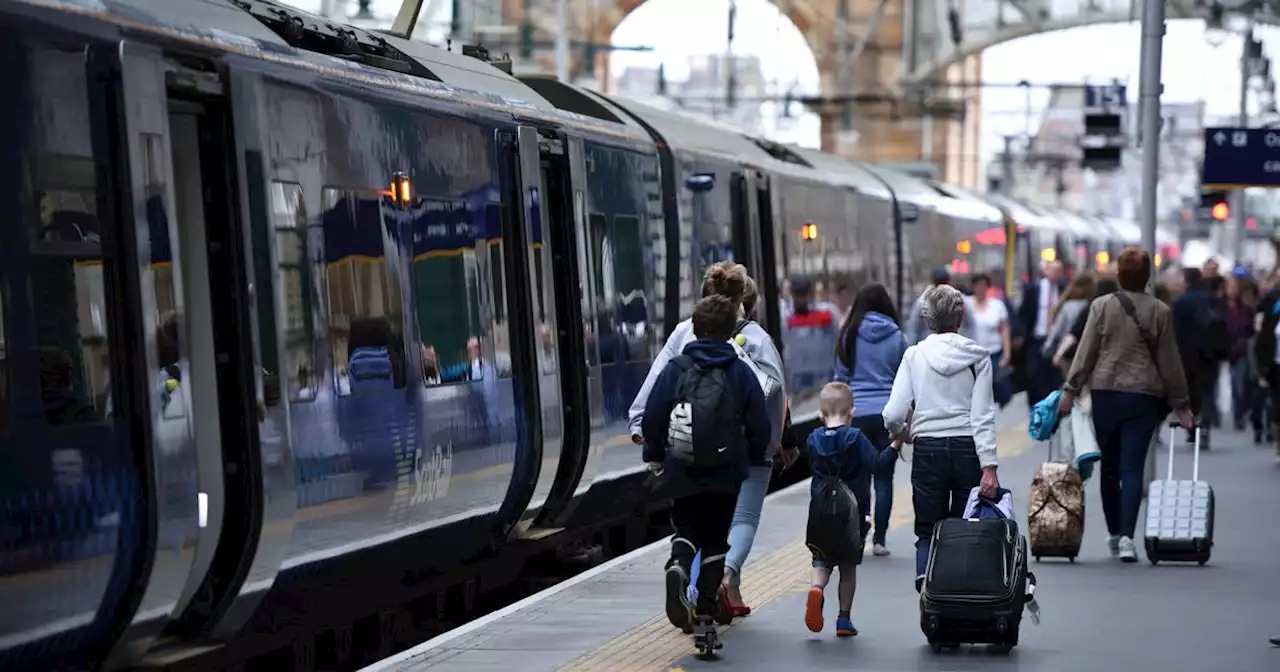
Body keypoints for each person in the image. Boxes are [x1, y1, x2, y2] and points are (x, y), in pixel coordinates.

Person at [628, 262, 788, 622]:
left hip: (682, 460)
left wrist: (653, 452)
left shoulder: (679, 358)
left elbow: (652, 407)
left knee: (686, 529)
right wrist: (763, 449)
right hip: (728, 464)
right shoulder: (745, 359)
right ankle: (706, 606)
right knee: (719, 535)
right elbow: (765, 411)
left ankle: (679, 569)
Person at [1061, 248, 1192, 563]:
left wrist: (1070, 389)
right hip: (1144, 396)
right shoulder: (1160, 311)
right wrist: (1182, 404)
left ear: (1119, 275)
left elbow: (1086, 351)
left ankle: (1114, 533)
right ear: (1148, 276)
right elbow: (1170, 361)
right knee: (1132, 467)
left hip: (1106, 394)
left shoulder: (1102, 306)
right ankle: (1128, 539)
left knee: (1110, 466)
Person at [882, 284, 1000, 592]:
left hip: (928, 448)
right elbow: (983, 416)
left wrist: (902, 434)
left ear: (925, 318)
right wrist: (989, 466)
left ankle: (926, 577)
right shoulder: (978, 357)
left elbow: (893, 413)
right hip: (967, 448)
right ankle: (961, 588)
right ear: (960, 316)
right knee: (964, 526)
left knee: (927, 527)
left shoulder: (914, 356)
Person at [720, 274, 795, 618]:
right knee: (745, 515)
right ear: (749, 304)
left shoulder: (689, 332)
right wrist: (781, 442)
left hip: (705, 444)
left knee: (707, 520)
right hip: (752, 442)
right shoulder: (757, 338)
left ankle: (712, 590)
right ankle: (727, 573)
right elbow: (777, 393)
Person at [803, 383, 897, 638]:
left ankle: (817, 589)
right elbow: (878, 465)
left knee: (821, 561)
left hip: (820, 514)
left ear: (821, 414)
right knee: (847, 568)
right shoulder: (855, 437)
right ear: (851, 412)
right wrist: (896, 445)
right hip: (852, 517)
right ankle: (843, 620)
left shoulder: (813, 439)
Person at [832, 282, 905, 556]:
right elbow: (904, 378)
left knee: (857, 479)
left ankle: (859, 534)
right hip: (887, 414)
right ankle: (880, 541)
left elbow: (840, 379)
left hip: (857, 414)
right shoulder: (897, 336)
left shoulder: (848, 334)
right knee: (884, 479)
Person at [1173, 268, 1230, 433]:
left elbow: (1176, 330)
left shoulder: (1181, 301)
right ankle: (1205, 424)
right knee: (1209, 389)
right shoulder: (1214, 299)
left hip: (1188, 354)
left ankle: (1192, 425)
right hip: (1211, 352)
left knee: (1191, 390)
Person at [1017, 260, 1066, 413]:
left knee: (1054, 378)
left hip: (1056, 341)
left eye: (1058, 271)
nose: (1054, 274)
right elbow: (1024, 313)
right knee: (1034, 377)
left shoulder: (1064, 289)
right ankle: (1036, 410)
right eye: (1052, 270)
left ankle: (1054, 411)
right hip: (1036, 338)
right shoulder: (1034, 289)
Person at [966, 273, 1013, 408]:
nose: (981, 289)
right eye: (978, 286)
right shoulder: (967, 304)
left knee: (995, 386)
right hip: (972, 355)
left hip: (993, 353)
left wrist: (1007, 354)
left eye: (983, 286)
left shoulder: (997, 305)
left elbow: (1004, 329)